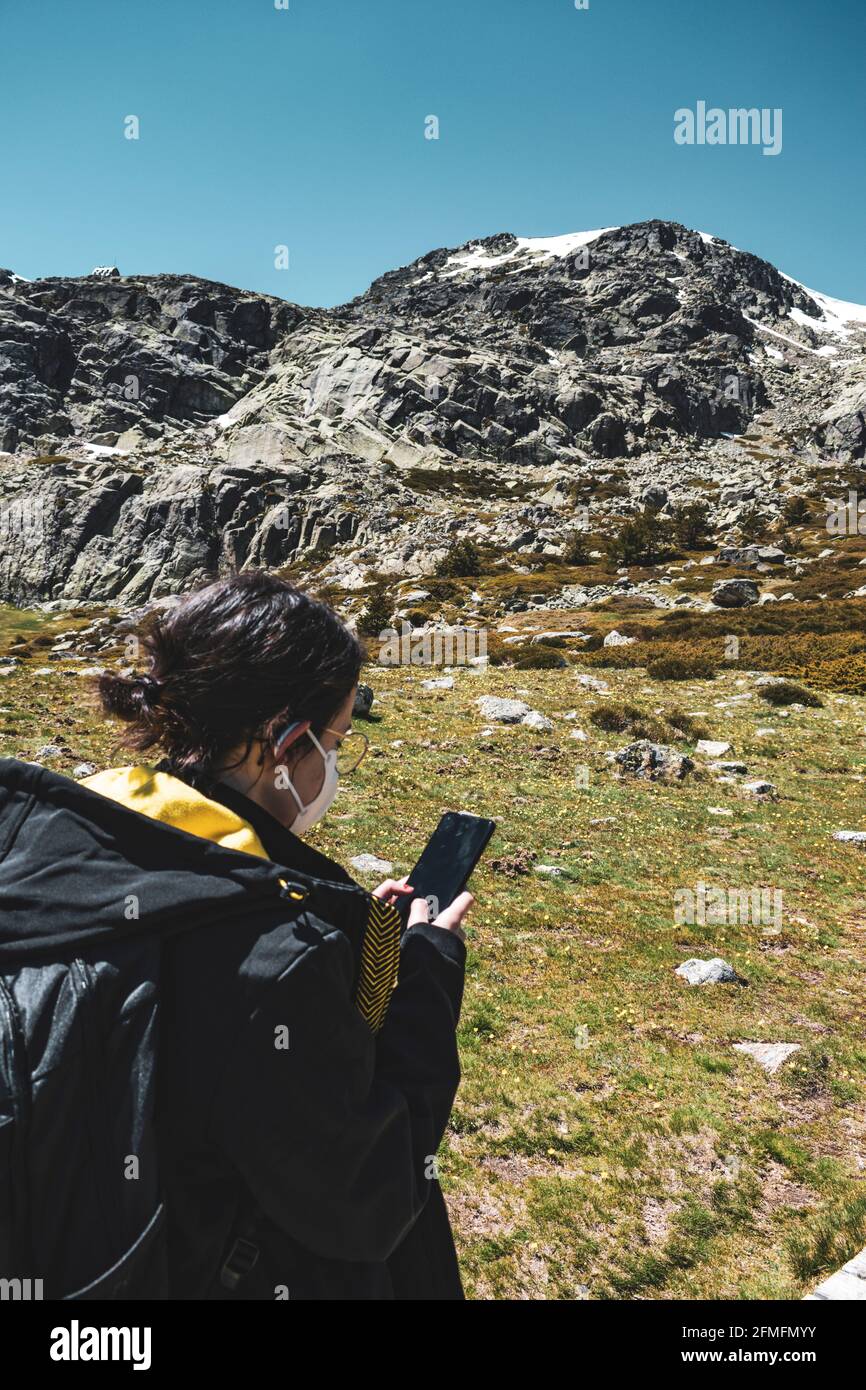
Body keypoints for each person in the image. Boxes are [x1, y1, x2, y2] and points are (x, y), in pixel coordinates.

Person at [0, 571, 472, 1300]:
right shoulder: (272, 954)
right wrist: (426, 974)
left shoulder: (44, 846)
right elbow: (366, 1199)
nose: (334, 765)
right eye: (335, 739)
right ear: (283, 743)